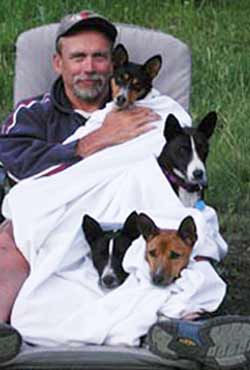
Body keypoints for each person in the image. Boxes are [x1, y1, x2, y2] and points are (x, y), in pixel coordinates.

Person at [0, 10, 249, 369]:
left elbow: (181, 167)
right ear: (58, 62)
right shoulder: (35, 114)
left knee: (194, 236)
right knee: (10, 237)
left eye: (99, 57)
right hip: (64, 218)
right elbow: (17, 165)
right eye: (77, 57)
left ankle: (184, 334)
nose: (89, 67)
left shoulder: (156, 111)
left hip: (141, 219)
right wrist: (95, 141)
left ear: (113, 63)